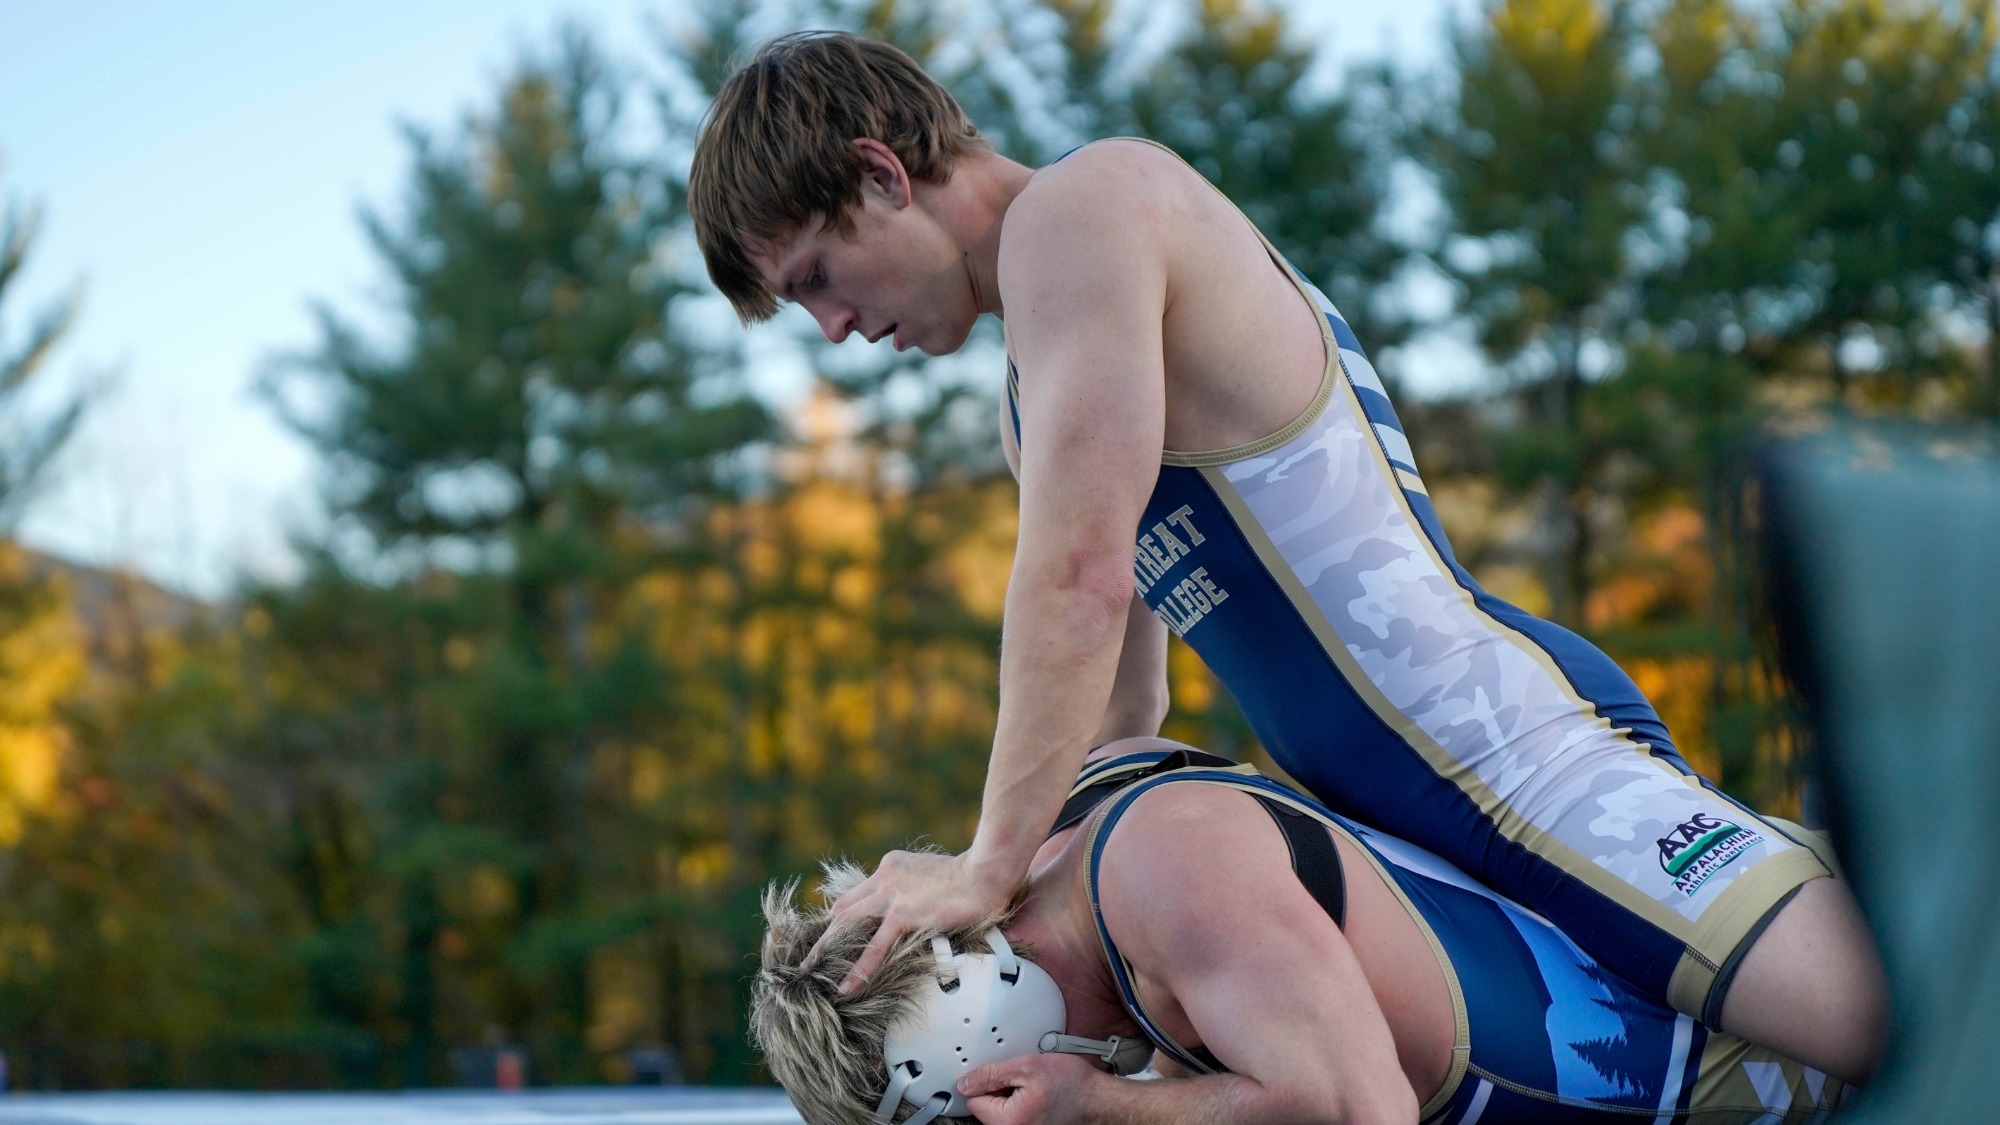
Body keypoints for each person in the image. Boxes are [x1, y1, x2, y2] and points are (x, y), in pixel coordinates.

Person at [689, 31, 1886, 1081]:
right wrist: (1032, 931)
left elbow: (1077, 583)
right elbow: (1121, 701)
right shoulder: (1029, 390)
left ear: (879, 173)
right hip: (1412, 827)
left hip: (1516, 767)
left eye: (817, 282)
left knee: (1915, 1033)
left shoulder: (1084, 211)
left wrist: (988, 863)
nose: (836, 331)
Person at [752, 738, 1847, 1124]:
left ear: (981, 1032)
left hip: (1770, 1025)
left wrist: (1101, 1113)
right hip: (1748, 961)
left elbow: (1354, 1108)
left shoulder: (1155, 867)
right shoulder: (1079, 813)